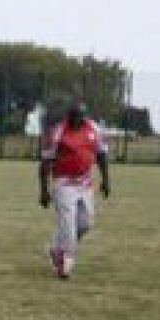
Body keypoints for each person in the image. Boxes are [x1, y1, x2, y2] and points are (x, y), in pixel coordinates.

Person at [39, 100, 110, 279]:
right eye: (73, 117)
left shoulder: (94, 128)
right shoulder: (57, 132)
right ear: (68, 116)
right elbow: (46, 163)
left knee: (85, 223)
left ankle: (56, 249)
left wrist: (106, 180)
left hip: (85, 183)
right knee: (68, 226)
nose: (76, 120)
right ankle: (64, 265)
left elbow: (102, 154)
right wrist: (44, 190)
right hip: (63, 183)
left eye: (80, 117)